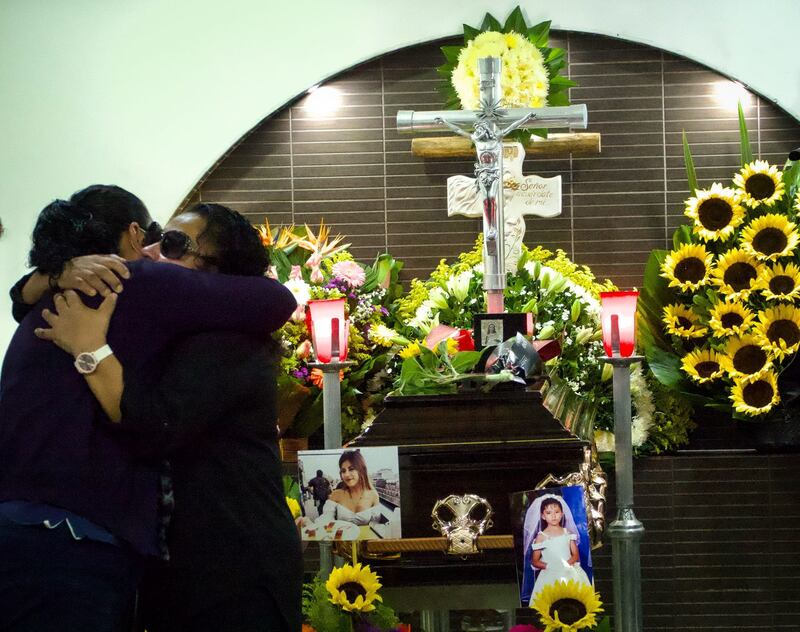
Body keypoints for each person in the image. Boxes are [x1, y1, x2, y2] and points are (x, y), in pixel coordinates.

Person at [0, 188, 296, 631]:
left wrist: (88, 345)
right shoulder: (132, 294)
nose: (153, 251)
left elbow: (156, 425)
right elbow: (275, 298)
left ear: (222, 273)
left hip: (230, 569)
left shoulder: (224, 341)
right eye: (155, 237)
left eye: (173, 244)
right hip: (85, 548)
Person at [522, 493, 591, 605]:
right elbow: (535, 561)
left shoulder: (567, 533)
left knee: (574, 599)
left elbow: (575, 555)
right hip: (550, 573)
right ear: (543, 516)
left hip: (569, 571)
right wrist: (549, 566)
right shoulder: (541, 536)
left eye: (557, 512)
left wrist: (566, 565)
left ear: (562, 514)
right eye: (549, 513)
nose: (553, 516)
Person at [318, 450, 382, 526]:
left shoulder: (373, 495)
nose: (347, 474)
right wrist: (309, 524)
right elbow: (325, 520)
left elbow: (375, 525)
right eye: (343, 471)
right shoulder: (336, 494)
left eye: (351, 469)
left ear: (361, 470)